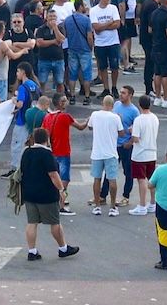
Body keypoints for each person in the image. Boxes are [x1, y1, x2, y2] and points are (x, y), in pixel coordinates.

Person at [20, 127, 79, 261]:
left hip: (29, 193)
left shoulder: (26, 152)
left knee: (32, 222)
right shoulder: (47, 154)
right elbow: (53, 174)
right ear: (47, 139)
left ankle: (32, 251)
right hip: (46, 195)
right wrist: (61, 190)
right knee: (55, 222)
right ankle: (63, 248)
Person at [88, 95, 126, 217]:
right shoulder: (115, 117)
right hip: (111, 153)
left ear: (102, 104)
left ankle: (97, 205)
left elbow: (90, 127)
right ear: (112, 105)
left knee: (97, 179)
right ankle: (113, 206)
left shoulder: (95, 115)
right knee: (112, 180)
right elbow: (121, 133)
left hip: (97, 152)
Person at [127, 95, 159, 216]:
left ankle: (142, 205)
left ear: (139, 105)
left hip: (140, 154)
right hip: (152, 152)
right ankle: (152, 203)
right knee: (151, 179)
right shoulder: (155, 118)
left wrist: (131, 131)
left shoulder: (139, 120)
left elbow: (135, 138)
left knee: (141, 180)